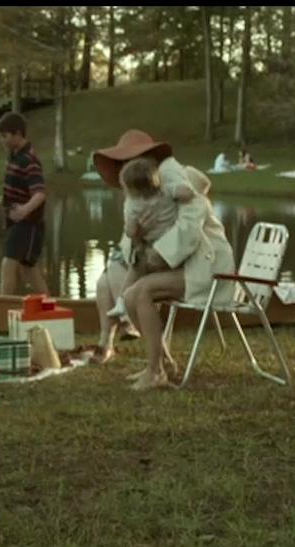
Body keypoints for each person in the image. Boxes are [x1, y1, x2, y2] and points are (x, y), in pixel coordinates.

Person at [92, 130, 236, 389]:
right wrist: (137, 236)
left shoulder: (178, 181)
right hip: (184, 268)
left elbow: (190, 227)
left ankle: (155, 371)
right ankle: (163, 363)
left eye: (127, 161)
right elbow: (131, 245)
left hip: (208, 268)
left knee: (142, 291)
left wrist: (157, 255)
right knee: (132, 295)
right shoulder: (140, 196)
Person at [106, 156, 193, 321]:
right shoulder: (166, 190)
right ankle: (126, 303)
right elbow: (187, 193)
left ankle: (122, 301)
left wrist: (133, 228)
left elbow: (131, 231)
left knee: (135, 267)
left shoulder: (133, 204)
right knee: (140, 266)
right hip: (170, 243)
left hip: (153, 245)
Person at [0, 112, 49, 295]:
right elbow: (13, 191)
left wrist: (24, 210)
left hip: (28, 224)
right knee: (28, 268)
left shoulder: (29, 160)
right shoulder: (14, 157)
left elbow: (40, 194)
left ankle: (2, 306)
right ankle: (49, 305)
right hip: (17, 223)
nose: (2, 141)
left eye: (4, 136)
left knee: (8, 263)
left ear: (18, 133)